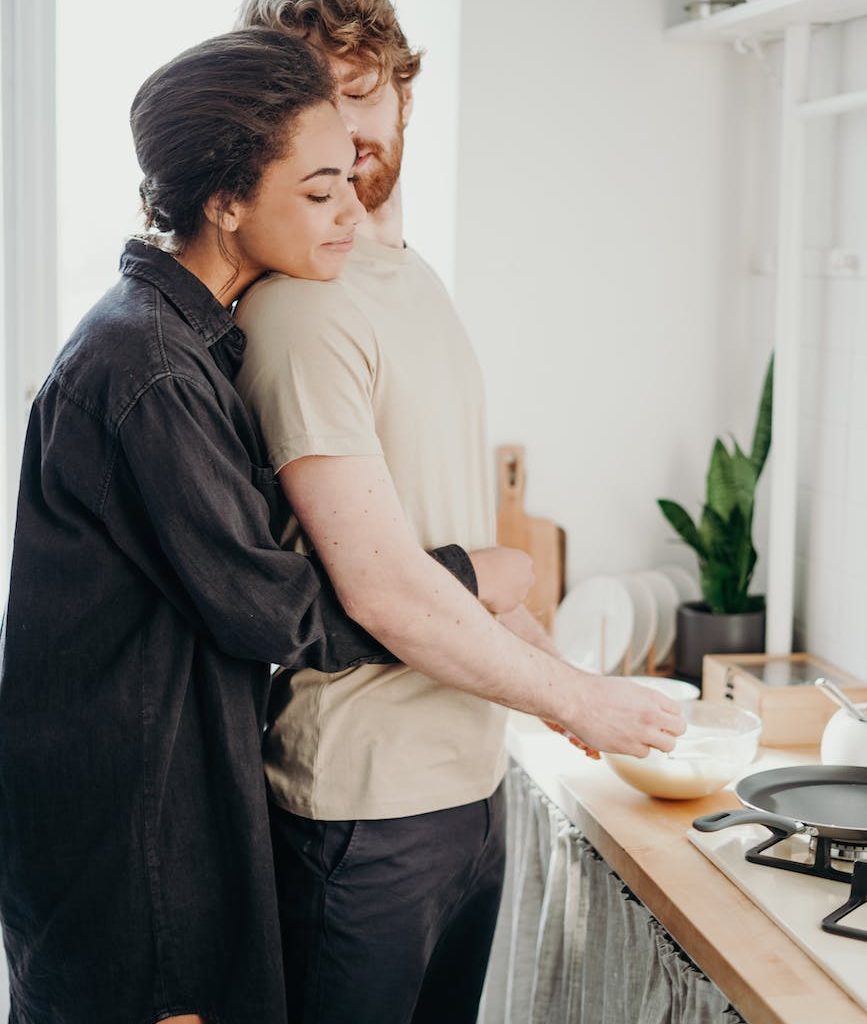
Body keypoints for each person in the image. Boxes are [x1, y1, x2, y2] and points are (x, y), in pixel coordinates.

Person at [0, 29, 497, 1024]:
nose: (349, 209)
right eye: (317, 192)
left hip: (156, 840)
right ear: (225, 203)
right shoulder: (147, 370)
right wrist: (464, 577)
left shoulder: (184, 337)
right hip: (129, 873)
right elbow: (269, 605)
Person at [234, 3, 685, 1023]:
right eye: (313, 103)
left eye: (361, 94)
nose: (346, 132)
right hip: (362, 814)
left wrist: (565, 677)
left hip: (466, 791)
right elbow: (387, 588)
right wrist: (573, 702)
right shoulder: (305, 306)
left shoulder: (409, 279)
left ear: (402, 88)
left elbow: (439, 541)